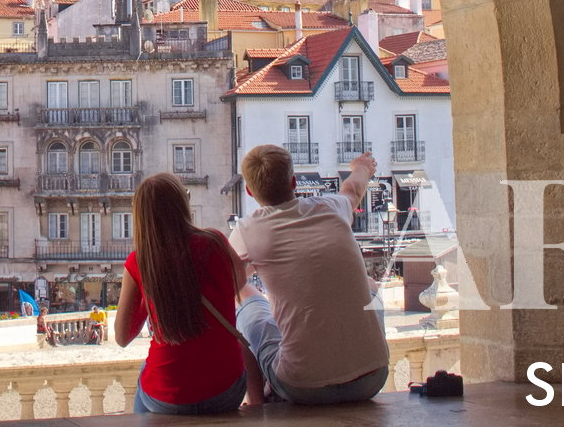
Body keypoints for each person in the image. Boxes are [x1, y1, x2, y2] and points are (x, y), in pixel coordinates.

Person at [230, 145, 389, 405]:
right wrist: (362, 167)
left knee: (247, 302)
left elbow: (227, 282)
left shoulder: (248, 230)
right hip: (371, 378)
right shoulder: (332, 206)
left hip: (301, 385)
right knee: (371, 287)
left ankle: (257, 405)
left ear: (249, 191)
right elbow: (353, 190)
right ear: (294, 182)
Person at [114, 172, 248, 414]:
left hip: (167, 397)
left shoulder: (139, 262)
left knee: (146, 378)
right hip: (226, 389)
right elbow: (240, 281)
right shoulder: (215, 242)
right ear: (183, 203)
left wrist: (153, 289)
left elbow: (123, 337)